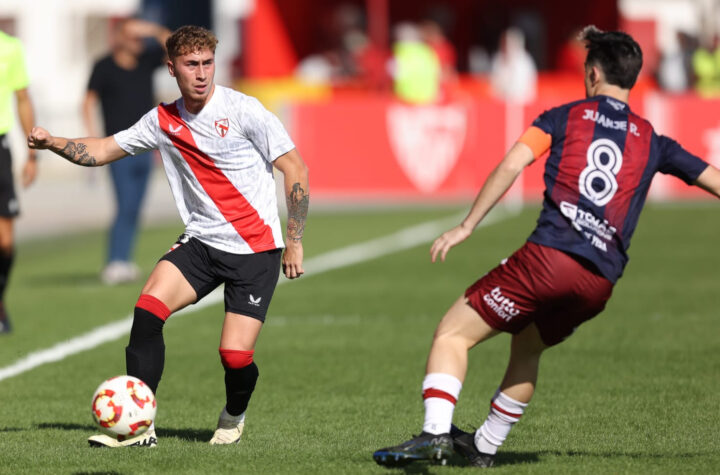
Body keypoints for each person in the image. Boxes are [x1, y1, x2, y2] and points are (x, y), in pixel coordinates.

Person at [373, 25, 720, 468]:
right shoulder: (654, 140)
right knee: (528, 347)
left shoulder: (565, 116)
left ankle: (435, 435)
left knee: (452, 334)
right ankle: (483, 448)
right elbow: (712, 178)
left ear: (593, 74)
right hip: (600, 280)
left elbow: (512, 163)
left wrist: (467, 225)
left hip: (549, 258)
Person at [28, 25, 309, 447]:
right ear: (171, 67)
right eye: (191, 64)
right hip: (200, 243)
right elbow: (103, 150)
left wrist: (296, 239)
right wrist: (53, 142)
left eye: (207, 63)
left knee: (235, 356)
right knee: (146, 312)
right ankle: (141, 427)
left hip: (255, 250)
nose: (201, 73)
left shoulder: (244, 110)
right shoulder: (162, 120)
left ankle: (234, 414)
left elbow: (295, 169)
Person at [83, 18, 171, 285]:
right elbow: (87, 102)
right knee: (124, 204)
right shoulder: (104, 66)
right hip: (116, 147)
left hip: (146, 147)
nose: (137, 41)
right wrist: (93, 139)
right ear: (119, 38)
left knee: (135, 207)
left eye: (138, 37)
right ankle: (114, 261)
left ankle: (124, 259)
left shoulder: (146, 61)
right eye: (132, 36)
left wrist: (153, 29)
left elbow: (174, 46)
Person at [0, 30, 38, 334]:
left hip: (0, 149)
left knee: (5, 242)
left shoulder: (10, 48)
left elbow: (23, 98)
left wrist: (32, 154)